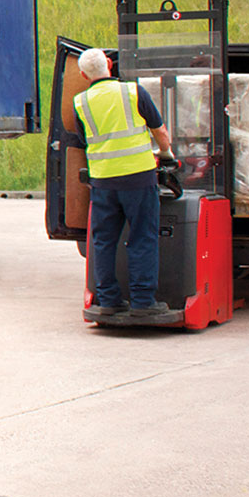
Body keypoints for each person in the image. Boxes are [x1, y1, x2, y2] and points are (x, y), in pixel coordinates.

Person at [73, 47, 173, 323]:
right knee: (142, 237)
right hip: (138, 177)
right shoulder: (133, 92)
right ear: (109, 63)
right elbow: (159, 131)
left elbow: (84, 140)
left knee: (103, 241)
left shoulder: (80, 102)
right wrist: (166, 154)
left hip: (102, 180)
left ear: (83, 75)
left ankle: (108, 300)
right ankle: (143, 301)